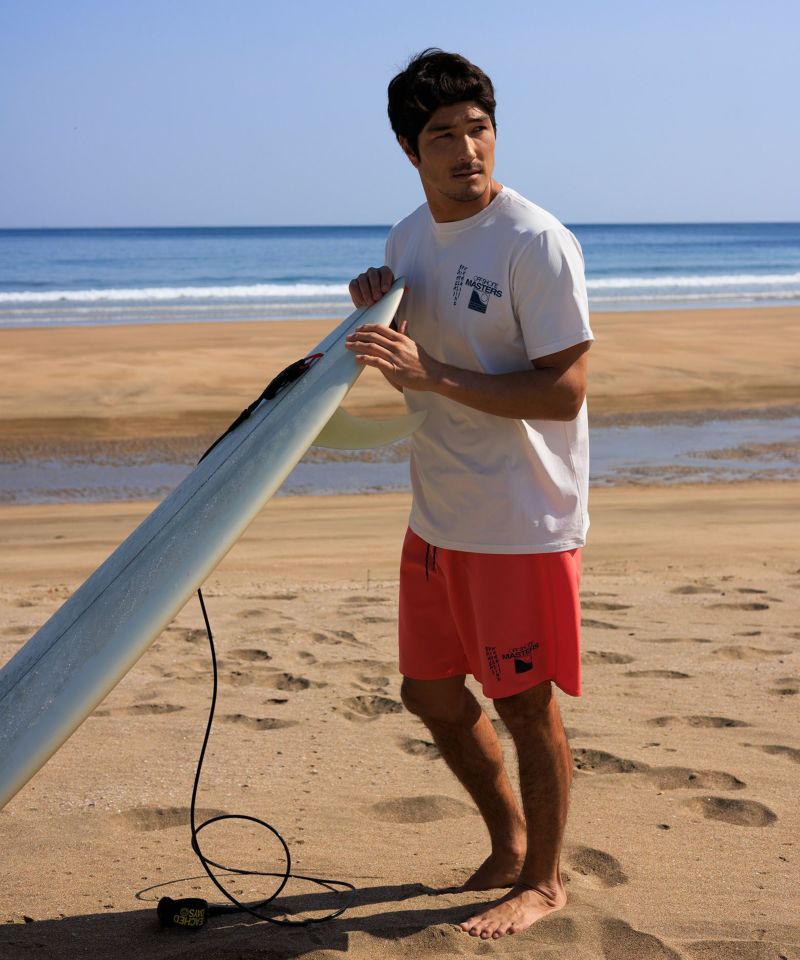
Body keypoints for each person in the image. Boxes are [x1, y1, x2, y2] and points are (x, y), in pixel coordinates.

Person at [345, 49, 593, 941]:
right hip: (438, 510)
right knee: (431, 694)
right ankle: (508, 842)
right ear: (409, 150)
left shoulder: (536, 242)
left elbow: (564, 393)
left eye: (478, 129)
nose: (467, 151)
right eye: (443, 136)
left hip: (520, 518)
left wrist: (433, 372)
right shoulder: (407, 238)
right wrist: (379, 323)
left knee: (525, 703)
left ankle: (544, 882)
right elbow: (416, 377)